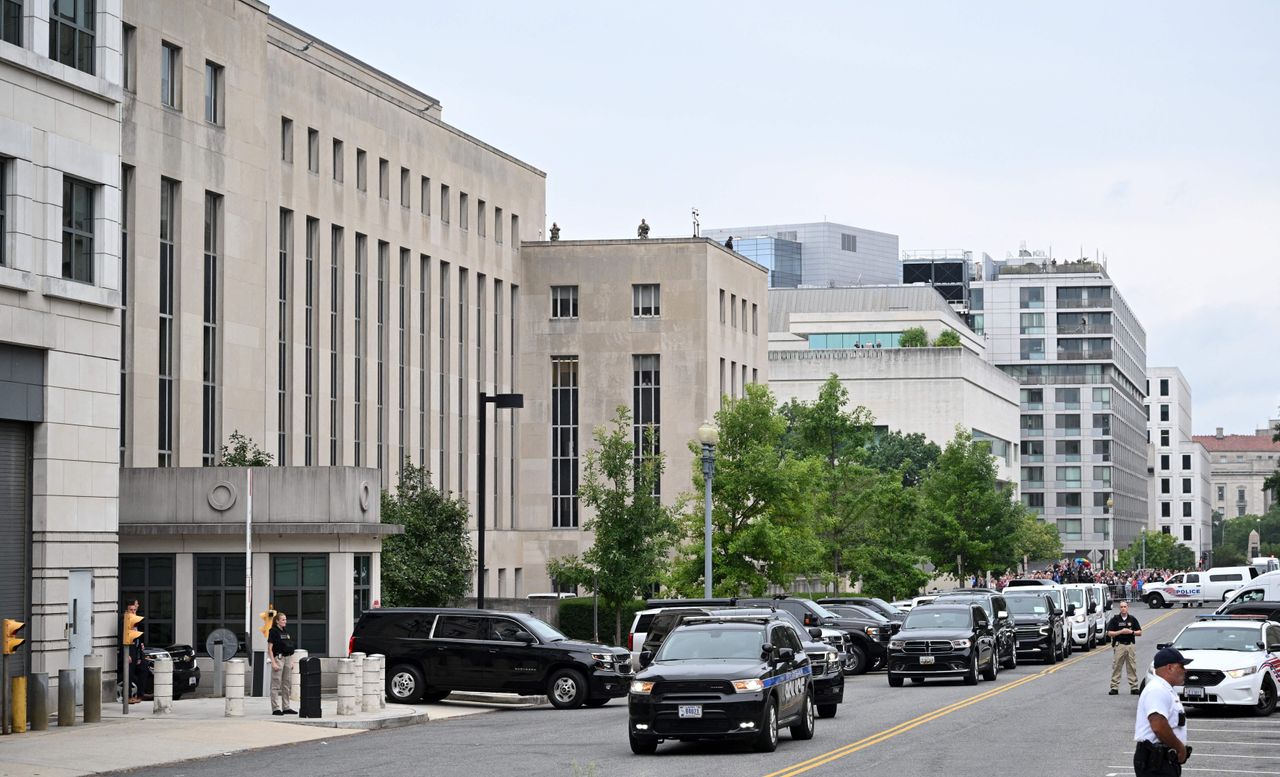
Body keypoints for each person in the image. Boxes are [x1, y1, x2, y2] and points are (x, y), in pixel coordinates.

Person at [1134, 647, 1192, 776]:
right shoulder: (1157, 690)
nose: (1185, 670)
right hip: (1156, 760)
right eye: (1181, 666)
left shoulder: (1165, 689)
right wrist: (1180, 748)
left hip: (1163, 759)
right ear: (1170, 667)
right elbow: (1158, 726)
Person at [1107, 600, 1143, 694]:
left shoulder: (1132, 619)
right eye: (1121, 607)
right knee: (1117, 666)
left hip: (1130, 645)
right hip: (1119, 645)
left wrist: (1131, 632)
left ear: (1128, 607)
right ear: (1119, 608)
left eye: (1125, 607)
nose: (1123, 608)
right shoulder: (1115, 619)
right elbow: (1109, 633)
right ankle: (1114, 687)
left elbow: (1140, 632)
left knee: (1132, 666)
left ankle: (1134, 687)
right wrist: (1121, 632)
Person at [267, 611, 298, 715]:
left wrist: (292, 660)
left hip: (288, 659)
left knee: (287, 684)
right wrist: (273, 662)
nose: (285, 621)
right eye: (283, 619)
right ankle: (275, 708)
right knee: (276, 684)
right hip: (279, 659)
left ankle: (286, 707)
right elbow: (270, 649)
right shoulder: (273, 631)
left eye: (285, 619)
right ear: (277, 621)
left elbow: (289, 646)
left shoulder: (285, 631)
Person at [123, 599, 151, 703]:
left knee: (144, 669)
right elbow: (121, 637)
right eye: (131, 610)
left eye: (135, 610)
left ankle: (140, 694)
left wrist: (141, 644)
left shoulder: (136, 620)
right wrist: (126, 654)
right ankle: (128, 696)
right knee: (128, 674)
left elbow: (138, 635)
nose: (133, 611)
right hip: (129, 650)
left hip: (138, 649)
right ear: (127, 611)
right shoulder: (125, 621)